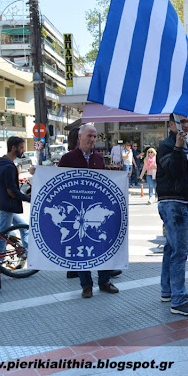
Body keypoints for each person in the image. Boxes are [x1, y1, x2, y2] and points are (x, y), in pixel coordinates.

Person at [58, 124, 120, 298]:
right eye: (89, 136)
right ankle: (86, 285)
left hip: (96, 211)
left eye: (94, 136)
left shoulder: (99, 159)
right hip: (76, 213)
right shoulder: (67, 158)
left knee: (102, 244)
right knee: (80, 247)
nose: (92, 139)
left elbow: (105, 182)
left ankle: (105, 281)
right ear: (80, 136)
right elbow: (56, 180)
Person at [156, 114, 188, 316]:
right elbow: (172, 171)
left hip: (179, 202)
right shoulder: (167, 145)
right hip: (173, 203)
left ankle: (168, 291)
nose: (186, 125)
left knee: (171, 249)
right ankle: (178, 300)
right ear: (172, 124)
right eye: (182, 122)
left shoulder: (185, 146)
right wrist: (178, 148)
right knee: (180, 252)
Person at [0, 136, 30, 255]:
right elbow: (12, 191)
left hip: (1, 203)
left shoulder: (0, 163)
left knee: (23, 227)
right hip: (7, 206)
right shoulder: (9, 166)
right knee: (3, 234)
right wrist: (29, 198)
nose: (23, 150)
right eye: (21, 147)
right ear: (13, 148)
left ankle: (28, 253)